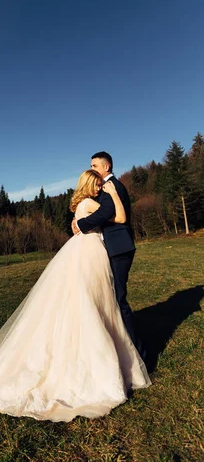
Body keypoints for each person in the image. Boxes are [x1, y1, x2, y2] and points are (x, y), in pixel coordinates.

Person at [0, 169, 151, 422]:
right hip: (91, 253)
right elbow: (120, 216)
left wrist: (81, 222)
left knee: (85, 299)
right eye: (96, 184)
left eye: (100, 184)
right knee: (96, 301)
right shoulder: (91, 202)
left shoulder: (80, 204)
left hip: (80, 250)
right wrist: (113, 193)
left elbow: (83, 223)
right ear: (88, 185)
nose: (99, 187)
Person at [72, 152, 146, 361]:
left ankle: (140, 355)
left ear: (106, 166)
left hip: (119, 249)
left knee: (118, 300)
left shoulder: (110, 187)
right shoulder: (103, 189)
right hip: (112, 248)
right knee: (112, 298)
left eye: (95, 165)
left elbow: (109, 214)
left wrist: (80, 224)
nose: (92, 168)